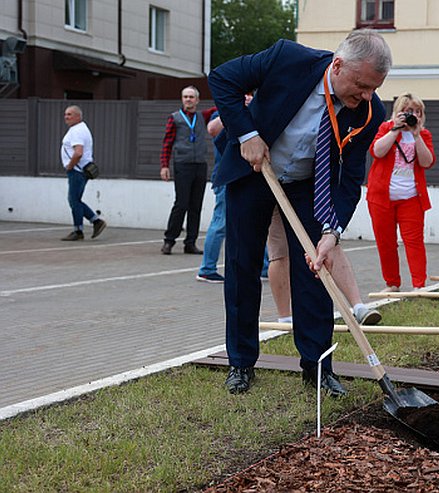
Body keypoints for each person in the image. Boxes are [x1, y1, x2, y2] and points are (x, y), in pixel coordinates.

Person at [208, 29, 390, 396]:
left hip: (309, 185)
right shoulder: (287, 59)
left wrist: (331, 231)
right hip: (256, 170)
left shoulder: (371, 112)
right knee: (243, 266)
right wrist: (246, 135)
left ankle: (319, 367)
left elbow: (350, 178)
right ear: (337, 66)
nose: (367, 95)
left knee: (314, 272)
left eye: (373, 88)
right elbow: (222, 78)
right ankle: (241, 363)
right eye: (361, 85)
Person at [265, 206, 381, 326]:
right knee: (280, 252)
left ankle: (358, 306)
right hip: (275, 196)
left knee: (329, 242)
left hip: (308, 192)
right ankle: (285, 318)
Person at [367, 93, 436, 291]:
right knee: (386, 243)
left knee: (414, 242)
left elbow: (427, 162)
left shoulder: (424, 135)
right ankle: (392, 283)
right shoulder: (385, 128)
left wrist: (416, 135)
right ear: (397, 113)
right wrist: (395, 130)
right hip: (382, 198)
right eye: (407, 111)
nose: (412, 115)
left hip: (412, 198)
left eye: (416, 111)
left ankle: (419, 284)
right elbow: (377, 152)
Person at [197, 94, 254, 283]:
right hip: (227, 177)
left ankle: (263, 267)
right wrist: (233, 108)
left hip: (248, 176)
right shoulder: (224, 112)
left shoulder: (251, 112)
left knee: (258, 222)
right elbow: (212, 129)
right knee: (220, 222)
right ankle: (207, 269)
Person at [160, 86, 212, 255]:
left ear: (197, 100)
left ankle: (191, 242)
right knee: (181, 203)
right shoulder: (175, 118)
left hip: (200, 164)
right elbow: (167, 142)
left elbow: (219, 106)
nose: (188, 100)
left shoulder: (202, 116)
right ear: (182, 99)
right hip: (182, 164)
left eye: (191, 97)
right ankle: (169, 240)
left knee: (195, 206)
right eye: (185, 97)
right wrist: (164, 165)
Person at [60, 105, 107, 241]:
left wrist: (70, 166)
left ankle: (79, 230)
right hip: (82, 169)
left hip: (77, 170)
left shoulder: (77, 131)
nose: (66, 117)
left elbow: (78, 152)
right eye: (65, 114)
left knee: (74, 200)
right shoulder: (81, 128)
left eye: (70, 114)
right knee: (75, 200)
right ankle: (96, 222)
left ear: (78, 116)